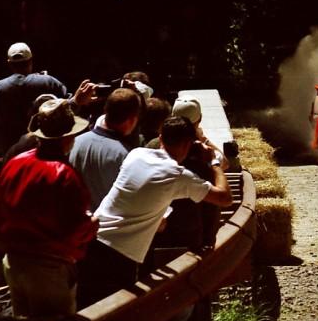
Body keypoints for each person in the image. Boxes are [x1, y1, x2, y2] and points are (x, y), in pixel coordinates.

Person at [77, 116, 233, 307]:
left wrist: (158, 218)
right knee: (114, 319)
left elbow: (143, 193)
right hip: (119, 255)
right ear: (188, 144)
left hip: (92, 240)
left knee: (86, 310)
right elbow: (224, 198)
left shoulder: (136, 154)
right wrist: (215, 162)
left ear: (160, 138)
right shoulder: (177, 176)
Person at [0, 98, 96, 318]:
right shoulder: (65, 175)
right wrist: (91, 226)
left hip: (13, 262)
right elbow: (74, 229)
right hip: (48, 269)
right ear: (68, 138)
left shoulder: (16, 162)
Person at [0, 42, 67, 157]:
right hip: (44, 146)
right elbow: (68, 104)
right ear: (31, 60)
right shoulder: (49, 82)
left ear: (9, 63)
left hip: (12, 148)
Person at [69, 88, 140, 211]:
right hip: (106, 227)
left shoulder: (74, 142)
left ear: (105, 111)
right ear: (132, 119)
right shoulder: (127, 156)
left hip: (74, 223)